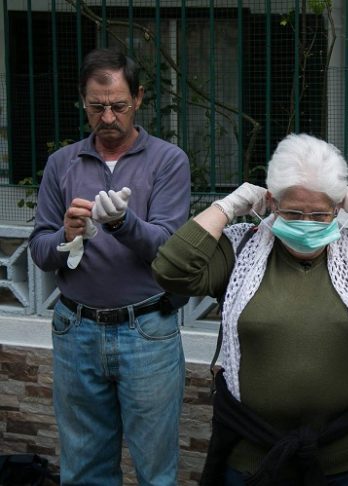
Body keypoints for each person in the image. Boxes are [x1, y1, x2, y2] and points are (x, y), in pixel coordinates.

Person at [151, 133, 348, 485]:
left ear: (338, 209)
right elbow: (170, 271)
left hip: (346, 462)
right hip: (252, 459)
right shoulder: (240, 251)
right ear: (272, 204)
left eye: (319, 214)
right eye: (293, 212)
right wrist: (228, 206)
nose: (306, 224)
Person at [29, 48, 191, 485]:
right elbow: (39, 251)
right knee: (83, 467)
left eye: (118, 106)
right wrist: (64, 235)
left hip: (147, 330)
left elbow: (168, 248)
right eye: (96, 106)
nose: (107, 117)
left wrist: (121, 222)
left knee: (155, 469)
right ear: (83, 101)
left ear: (138, 98)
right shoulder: (62, 163)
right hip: (75, 327)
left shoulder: (167, 161)